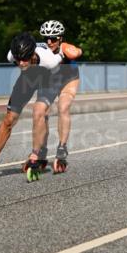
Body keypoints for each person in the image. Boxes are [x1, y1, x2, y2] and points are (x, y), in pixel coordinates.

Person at [0, 32, 64, 181]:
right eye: (18, 60)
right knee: (9, 119)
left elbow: (63, 54)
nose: (21, 64)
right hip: (27, 79)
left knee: (38, 112)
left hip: (49, 79)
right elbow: (20, 61)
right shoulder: (11, 55)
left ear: (32, 54)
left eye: (25, 59)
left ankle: (35, 155)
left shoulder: (49, 60)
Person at [38, 20, 83, 172]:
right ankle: (42, 149)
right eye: (46, 38)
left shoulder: (64, 47)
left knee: (62, 107)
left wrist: (67, 50)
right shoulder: (41, 48)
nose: (49, 42)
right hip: (49, 80)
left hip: (69, 80)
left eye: (54, 38)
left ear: (61, 38)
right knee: (41, 112)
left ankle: (62, 147)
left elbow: (77, 52)